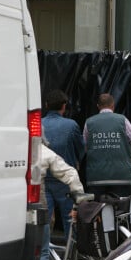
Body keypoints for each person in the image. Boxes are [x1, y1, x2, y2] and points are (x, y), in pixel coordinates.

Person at [0, 143, 85, 260]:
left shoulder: (7, 149)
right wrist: (79, 197)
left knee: (7, 252)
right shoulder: (42, 151)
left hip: (9, 211)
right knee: (42, 254)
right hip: (36, 210)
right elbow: (70, 173)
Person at [42, 89, 85, 239]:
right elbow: (81, 149)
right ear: (64, 106)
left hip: (43, 180)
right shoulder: (71, 125)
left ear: (46, 105)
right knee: (70, 219)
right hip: (65, 180)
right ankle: (69, 256)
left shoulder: (38, 125)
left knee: (43, 222)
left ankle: (43, 258)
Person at [83, 93, 131, 197]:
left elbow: (85, 146)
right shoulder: (122, 120)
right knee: (121, 210)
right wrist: (127, 155)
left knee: (96, 210)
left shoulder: (89, 122)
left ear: (98, 106)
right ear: (113, 105)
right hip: (122, 176)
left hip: (96, 177)